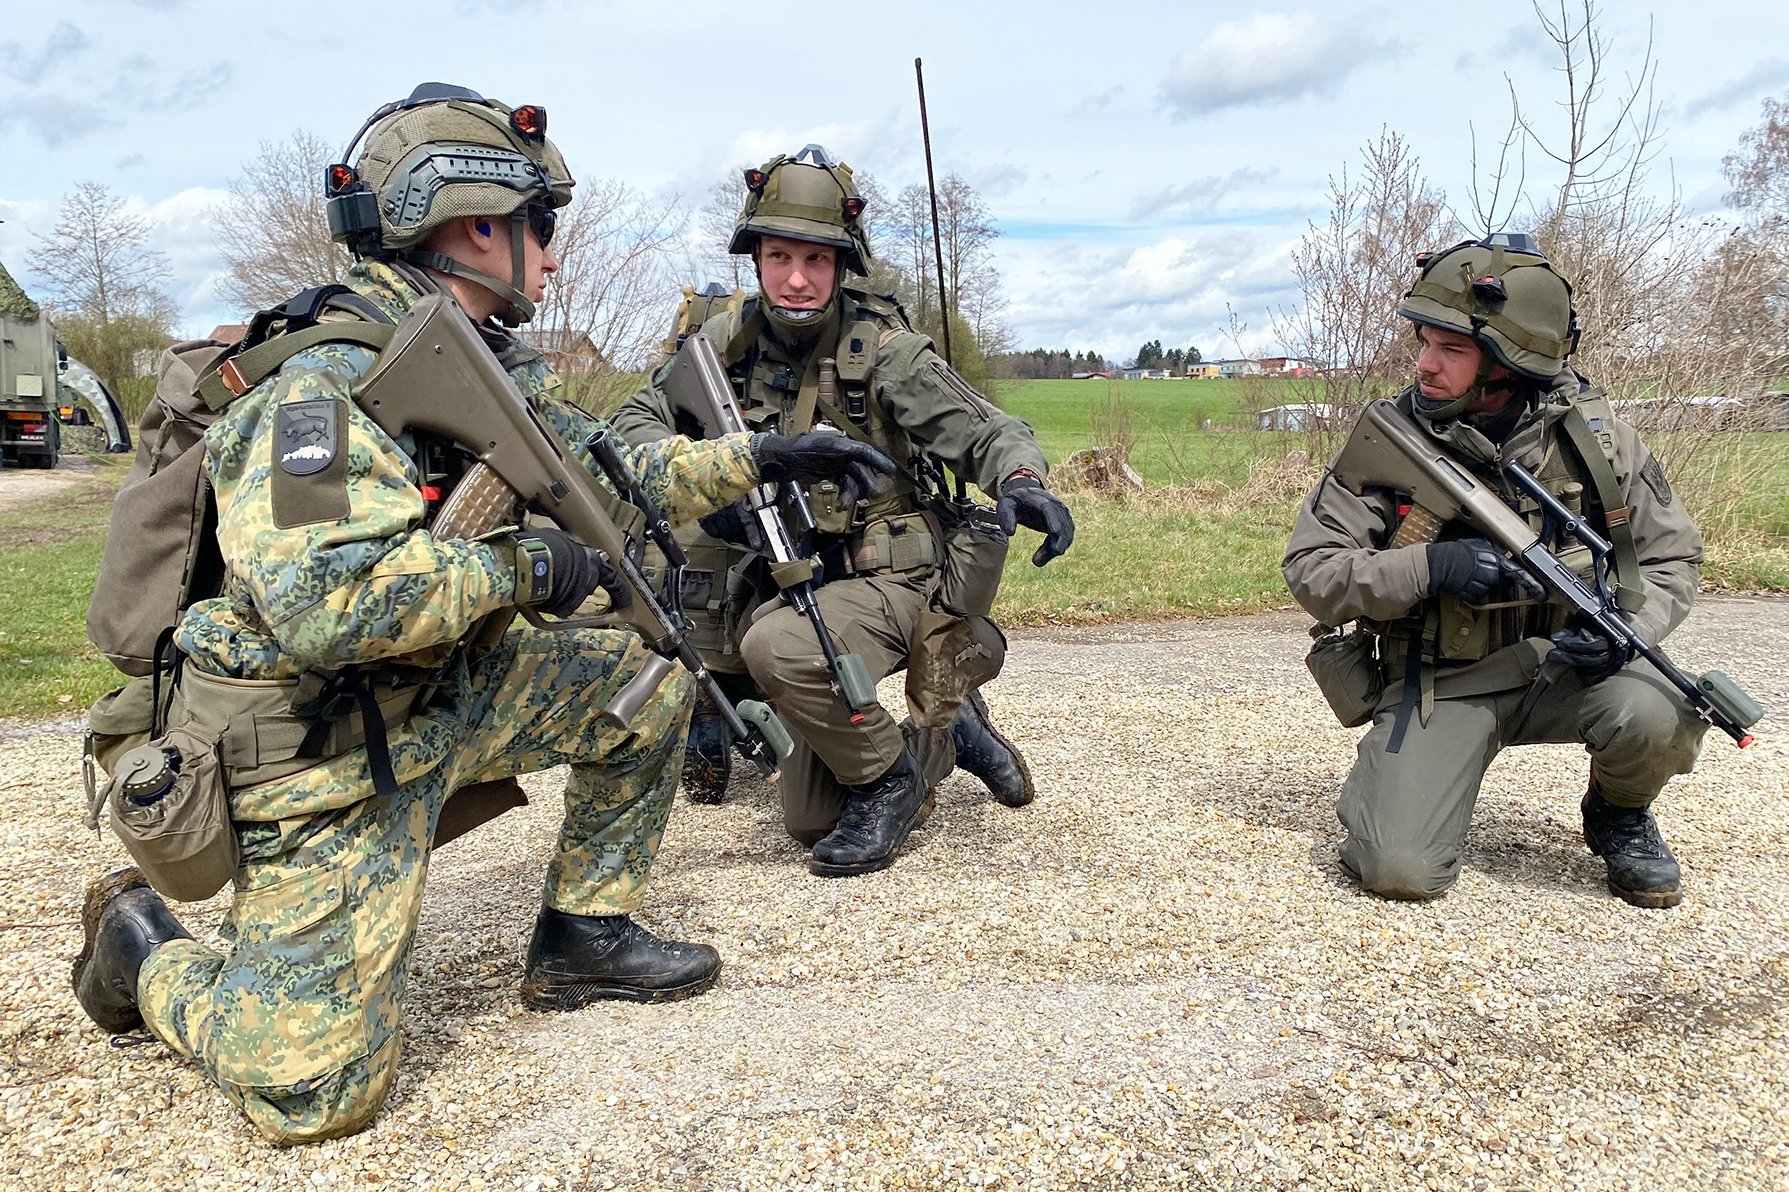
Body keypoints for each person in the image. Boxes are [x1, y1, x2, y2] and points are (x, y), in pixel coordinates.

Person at [70, 83, 891, 1144]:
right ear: (473, 226)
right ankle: (139, 947)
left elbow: (616, 470)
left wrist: (762, 456)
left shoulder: (482, 359)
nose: (550, 259)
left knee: (641, 682)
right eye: (539, 232)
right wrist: (523, 572)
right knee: (316, 1095)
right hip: (318, 745)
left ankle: (581, 937)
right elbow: (327, 604)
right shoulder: (319, 386)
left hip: (434, 695)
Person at [612, 145, 1074, 876]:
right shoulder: (720, 346)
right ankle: (941, 735)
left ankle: (899, 768)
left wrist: (1021, 479)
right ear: (754, 260)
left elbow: (988, 430)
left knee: (778, 651)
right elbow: (630, 428)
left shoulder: (883, 352)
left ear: (842, 265)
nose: (797, 279)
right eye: (778, 257)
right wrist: (714, 482)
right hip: (783, 571)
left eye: (817, 261)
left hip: (888, 573)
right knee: (807, 818)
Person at [1283, 235, 1708, 908]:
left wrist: (1627, 628)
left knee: (1662, 708)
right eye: (1422, 342)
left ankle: (1616, 814)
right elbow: (1312, 571)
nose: (1424, 365)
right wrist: (1429, 566)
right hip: (1439, 681)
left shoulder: (1598, 445)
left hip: (1567, 667)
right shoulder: (1391, 439)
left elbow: (1670, 558)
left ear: (1513, 363)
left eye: (1451, 350)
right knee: (1397, 869)